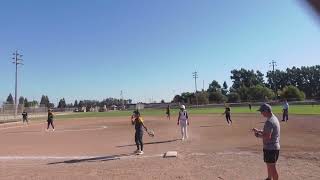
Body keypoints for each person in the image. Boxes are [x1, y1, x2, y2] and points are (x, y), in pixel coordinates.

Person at [252, 103, 280, 180]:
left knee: (272, 167)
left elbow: (267, 136)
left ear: (267, 110)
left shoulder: (269, 122)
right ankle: (269, 178)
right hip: (273, 147)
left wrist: (258, 135)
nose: (261, 113)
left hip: (271, 148)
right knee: (269, 165)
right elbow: (268, 132)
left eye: (262, 111)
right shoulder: (274, 118)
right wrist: (259, 131)